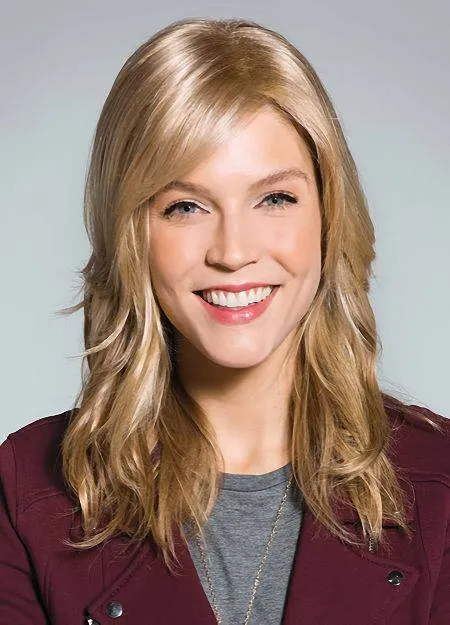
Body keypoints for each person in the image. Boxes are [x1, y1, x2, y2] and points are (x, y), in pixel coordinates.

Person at [0, 16, 449, 625]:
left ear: (329, 216)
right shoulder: (27, 490)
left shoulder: (441, 481)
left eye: (275, 198)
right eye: (185, 206)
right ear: (131, 233)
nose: (233, 252)